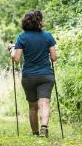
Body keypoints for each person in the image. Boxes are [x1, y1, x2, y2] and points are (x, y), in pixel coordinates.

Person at [8, 9, 57, 138]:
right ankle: (44, 127)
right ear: (39, 21)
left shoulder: (22, 37)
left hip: (29, 76)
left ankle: (35, 134)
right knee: (44, 103)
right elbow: (54, 57)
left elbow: (17, 59)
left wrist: (12, 50)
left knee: (33, 106)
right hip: (46, 75)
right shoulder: (48, 36)